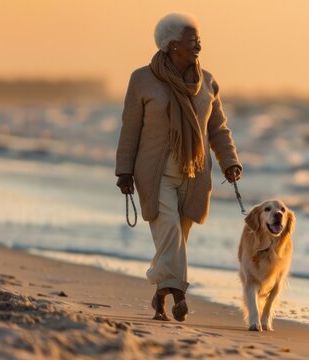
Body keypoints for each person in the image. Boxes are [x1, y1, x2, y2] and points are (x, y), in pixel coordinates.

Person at [115, 13, 242, 322]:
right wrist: (124, 170)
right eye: (191, 39)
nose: (198, 43)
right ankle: (180, 295)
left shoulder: (207, 82)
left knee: (176, 241)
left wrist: (230, 161)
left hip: (194, 175)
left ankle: (161, 291)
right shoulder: (142, 79)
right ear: (171, 45)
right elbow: (130, 127)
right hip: (153, 174)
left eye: (198, 38)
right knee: (169, 232)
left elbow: (218, 129)